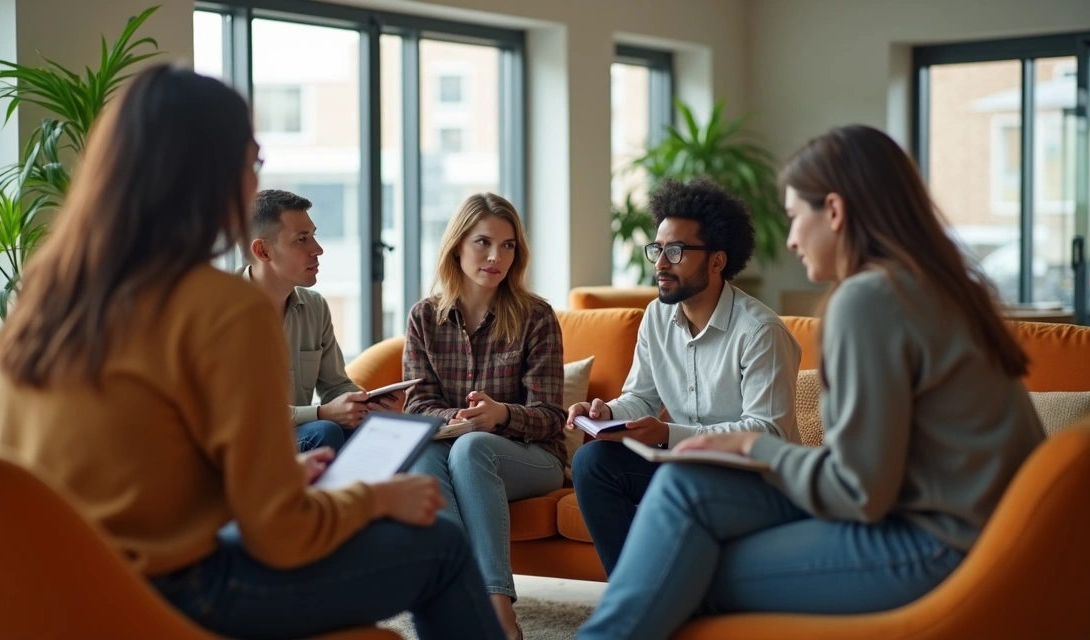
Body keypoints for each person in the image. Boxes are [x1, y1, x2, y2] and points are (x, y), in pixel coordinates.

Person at [0, 64, 505, 640]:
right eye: (252, 163)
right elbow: (281, 535)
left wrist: (267, 481)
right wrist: (371, 500)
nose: (254, 183)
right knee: (441, 543)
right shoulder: (224, 305)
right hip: (169, 592)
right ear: (208, 173)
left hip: (42, 588)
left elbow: (124, 473)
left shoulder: (49, 289)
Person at [577, 125, 1046, 640]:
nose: (794, 239)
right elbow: (874, 475)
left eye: (797, 217)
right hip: (953, 523)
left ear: (836, 212)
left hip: (934, 543)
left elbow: (859, 490)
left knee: (678, 568)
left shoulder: (868, 300)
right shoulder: (933, 287)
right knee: (682, 491)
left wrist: (754, 443)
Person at [567, 178, 802, 576]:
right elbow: (640, 398)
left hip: (754, 480)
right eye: (657, 249)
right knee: (593, 462)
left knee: (683, 486)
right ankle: (635, 595)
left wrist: (666, 435)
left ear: (716, 260)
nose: (660, 263)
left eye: (675, 251)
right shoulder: (656, 318)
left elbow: (767, 435)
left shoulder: (760, 331)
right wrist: (606, 411)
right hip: (683, 467)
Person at [403, 193, 566, 640]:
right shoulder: (423, 318)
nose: (497, 257)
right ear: (457, 246)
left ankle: (497, 614)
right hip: (453, 448)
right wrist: (456, 415)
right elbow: (416, 406)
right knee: (422, 458)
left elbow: (552, 416)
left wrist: (499, 416)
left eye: (509, 245)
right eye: (483, 242)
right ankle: (454, 608)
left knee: (472, 448)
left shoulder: (537, 317)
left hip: (531, 458)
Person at [244, 189, 398, 452]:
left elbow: (335, 385)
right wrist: (321, 413)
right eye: (302, 240)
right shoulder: (223, 314)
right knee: (325, 430)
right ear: (263, 251)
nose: (318, 249)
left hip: (301, 435)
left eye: (313, 235)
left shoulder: (314, 306)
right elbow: (247, 412)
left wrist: (363, 402)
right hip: (247, 442)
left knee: (382, 432)